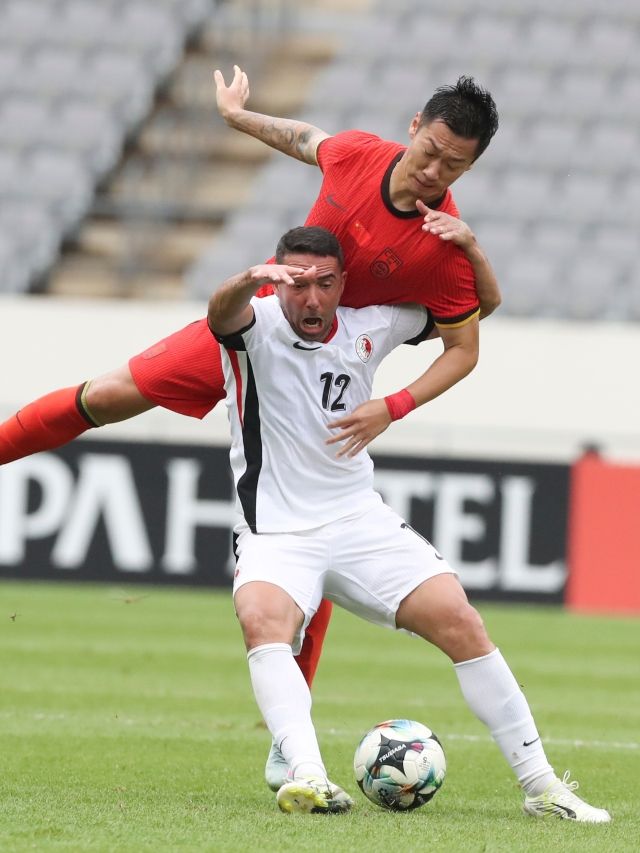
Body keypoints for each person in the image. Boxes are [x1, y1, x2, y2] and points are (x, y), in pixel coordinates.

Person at [0, 69, 501, 788]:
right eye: (430, 150)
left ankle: (286, 741)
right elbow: (307, 140)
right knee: (110, 394)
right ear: (415, 123)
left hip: (324, 378)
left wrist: (475, 250)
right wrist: (238, 118)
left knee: (316, 521)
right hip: (259, 334)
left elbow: (480, 313)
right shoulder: (359, 154)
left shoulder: (441, 234)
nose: (434, 171)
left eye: (455, 166)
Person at [209, 224, 610, 821]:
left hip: (356, 520)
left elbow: (474, 312)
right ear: (276, 282)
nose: (311, 299)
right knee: (262, 621)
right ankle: (309, 776)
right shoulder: (253, 326)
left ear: (343, 282)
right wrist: (248, 280)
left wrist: (471, 251)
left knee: (461, 620)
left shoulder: (374, 323)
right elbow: (219, 313)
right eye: (296, 284)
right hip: (276, 532)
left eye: (323, 283)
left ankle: (544, 787)